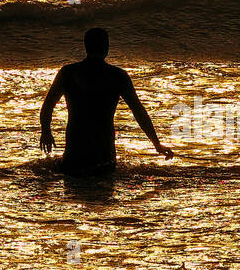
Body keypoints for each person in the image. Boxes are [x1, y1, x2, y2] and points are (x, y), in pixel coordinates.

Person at [40, 27, 172, 175]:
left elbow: (48, 105)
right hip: (104, 155)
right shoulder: (117, 76)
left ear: (85, 46)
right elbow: (139, 112)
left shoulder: (68, 73)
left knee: (71, 188)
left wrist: (46, 131)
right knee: (103, 189)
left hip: (75, 153)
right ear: (107, 47)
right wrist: (156, 144)